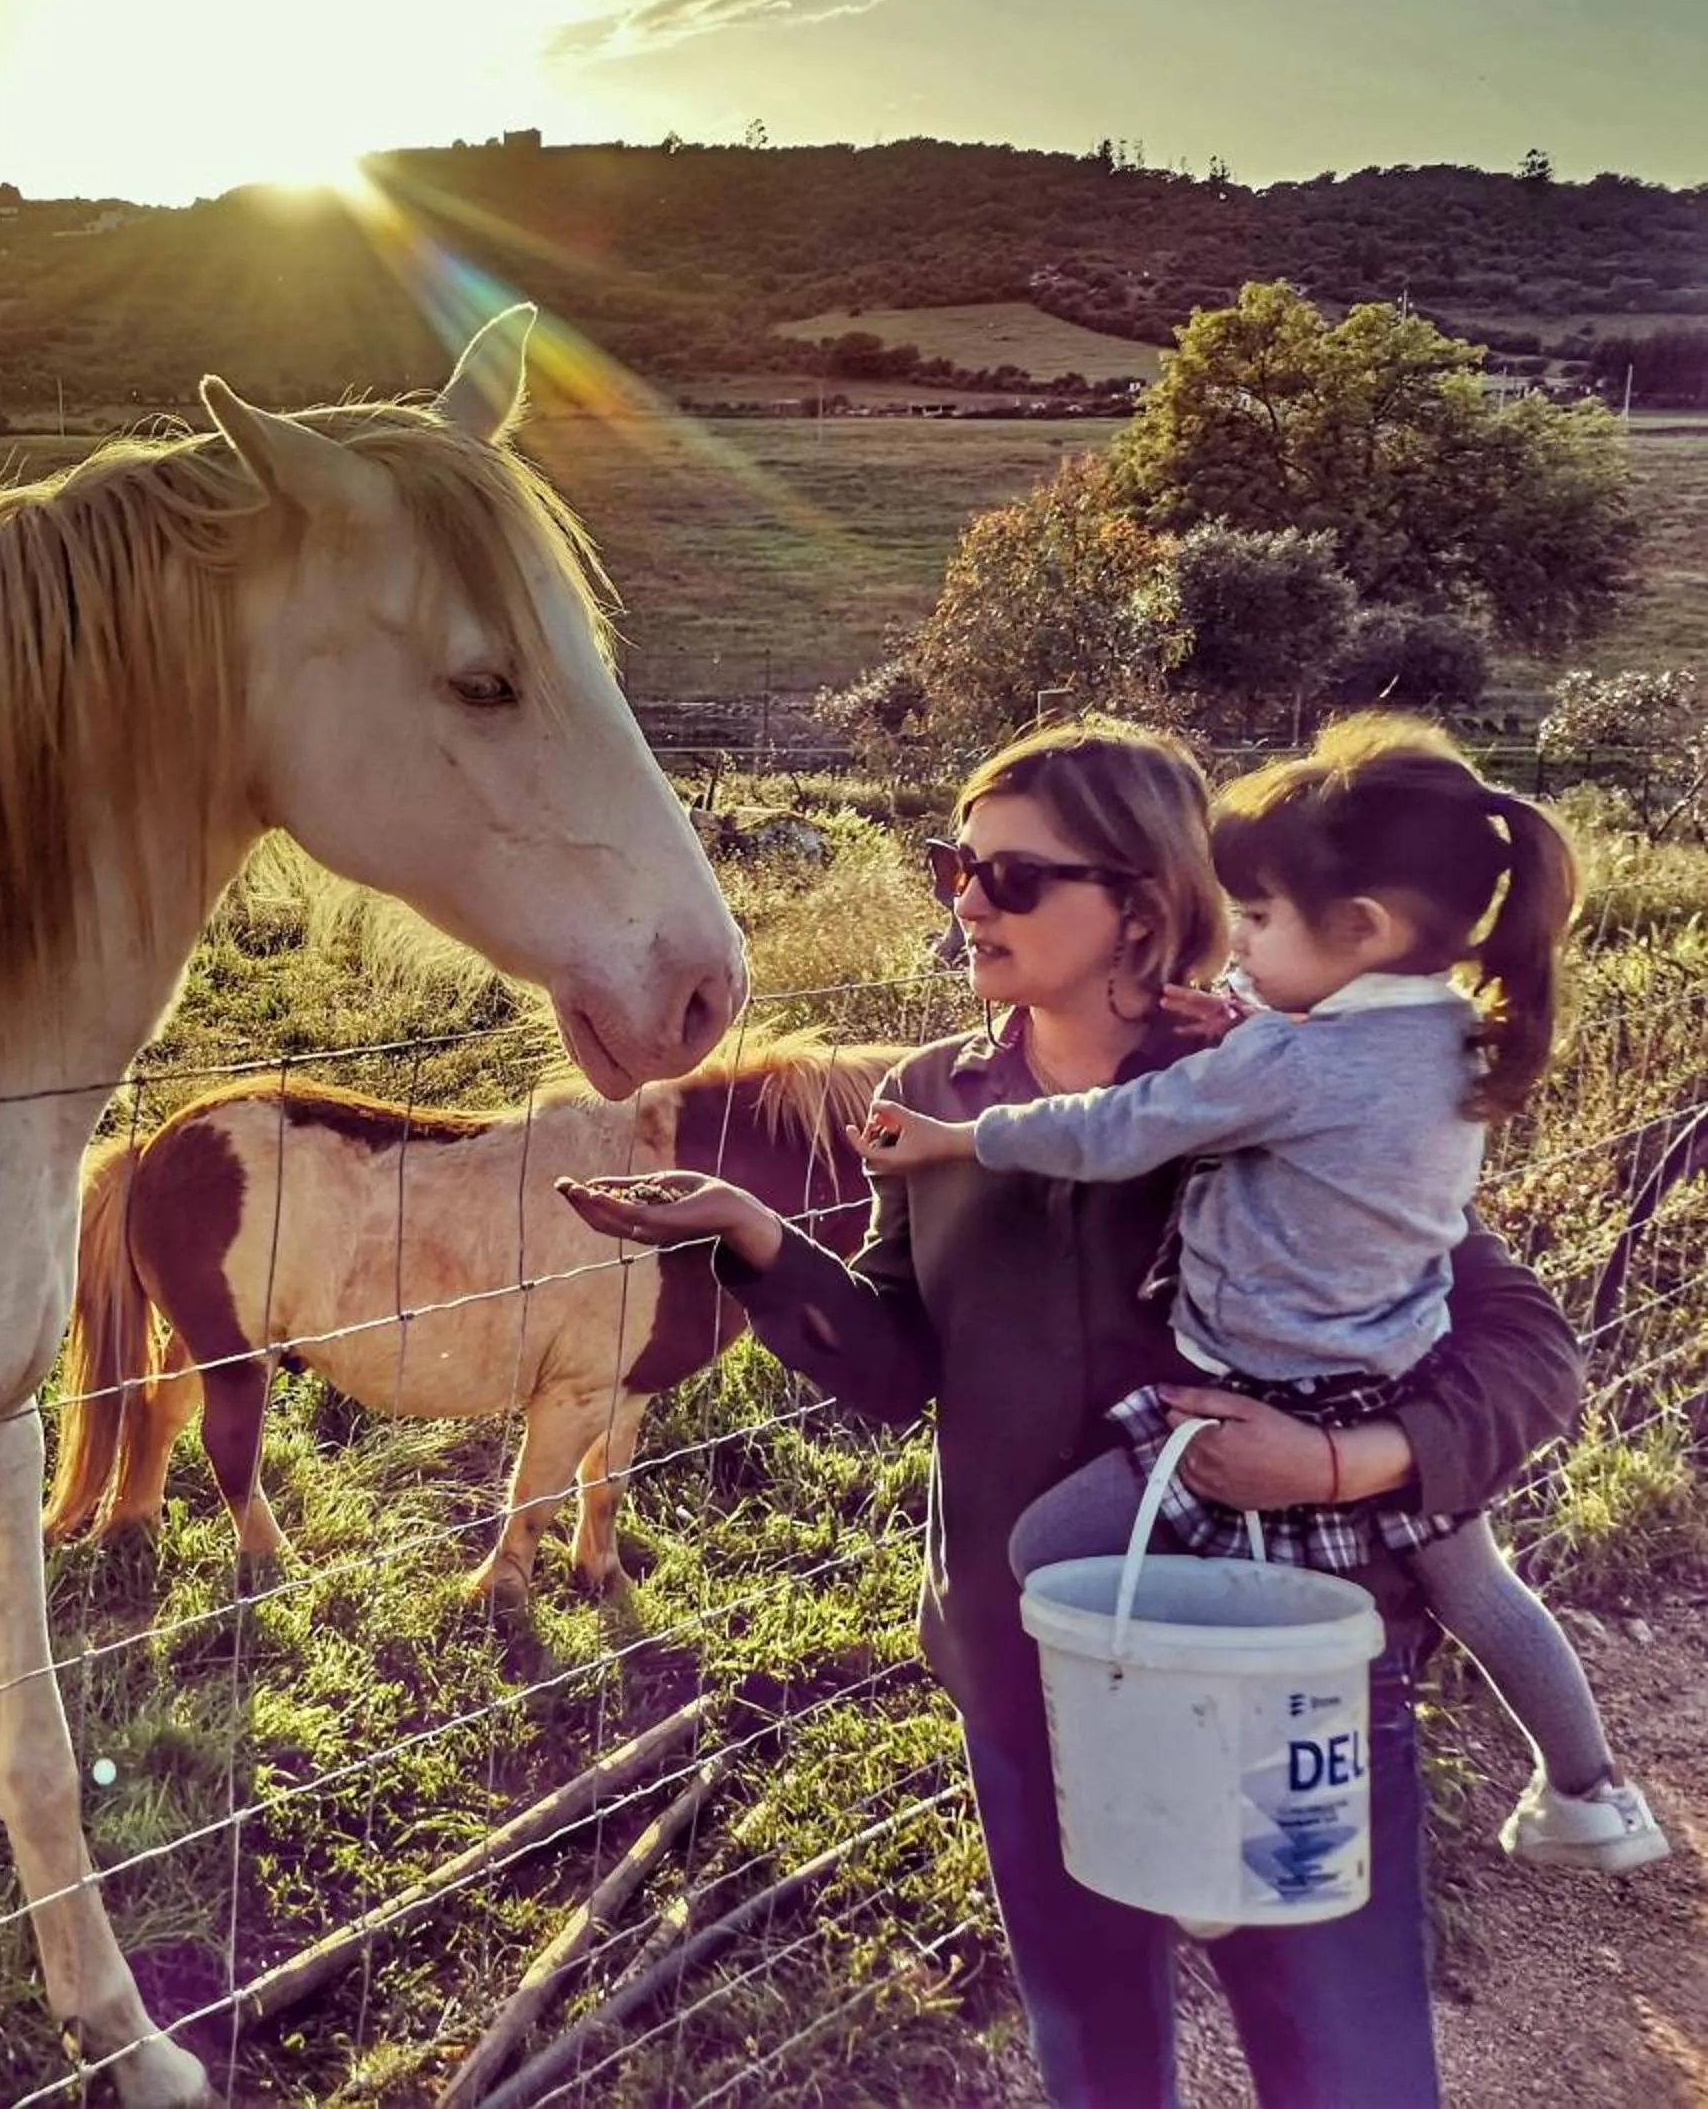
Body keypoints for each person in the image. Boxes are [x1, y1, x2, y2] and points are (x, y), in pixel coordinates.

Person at [559, 718, 1583, 2109]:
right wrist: (751, 1240)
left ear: (1142, 903)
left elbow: (1522, 1348)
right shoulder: (930, 1101)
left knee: (1346, 2071)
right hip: (1026, 1662)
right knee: (1098, 2065)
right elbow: (898, 1367)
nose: (968, 900)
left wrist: (1348, 1460)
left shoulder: (1273, 1077)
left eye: (1014, 876)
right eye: (953, 866)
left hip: (1274, 1666)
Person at [866, 715, 1664, 1875]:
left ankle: (1170, 1807)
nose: (1234, 951)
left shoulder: (1277, 1065)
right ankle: (1591, 1791)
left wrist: (962, 1136)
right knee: (1484, 1590)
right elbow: (1329, 1078)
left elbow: (1124, 1127)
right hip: (1395, 1368)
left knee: (1056, 1548)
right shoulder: (1449, 1032)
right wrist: (1251, 1022)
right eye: (959, 869)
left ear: (1360, 930)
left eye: (1257, 920)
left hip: (1254, 1394)